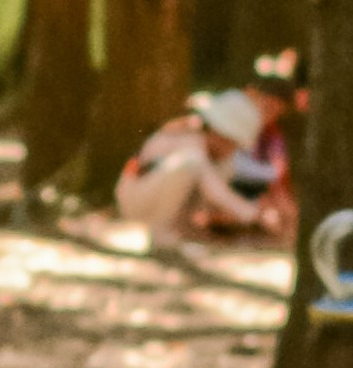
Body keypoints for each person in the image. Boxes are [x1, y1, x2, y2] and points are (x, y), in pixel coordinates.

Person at [114, 88, 287, 253]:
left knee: (220, 169)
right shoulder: (189, 139)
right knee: (191, 164)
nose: (231, 148)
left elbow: (244, 173)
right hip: (136, 200)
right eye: (231, 142)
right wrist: (255, 215)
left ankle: (181, 231)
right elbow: (216, 192)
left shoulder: (219, 156)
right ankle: (160, 234)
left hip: (157, 202)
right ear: (218, 131)